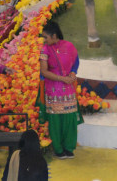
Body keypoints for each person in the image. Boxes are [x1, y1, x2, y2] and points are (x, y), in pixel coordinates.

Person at [39, 20, 81, 159]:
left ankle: (69, 148)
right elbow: (44, 72)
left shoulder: (69, 46)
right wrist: (62, 78)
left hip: (68, 89)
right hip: (53, 90)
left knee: (69, 119)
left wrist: (73, 73)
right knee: (55, 121)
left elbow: (76, 62)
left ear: (54, 35)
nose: (44, 40)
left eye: (46, 37)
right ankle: (58, 149)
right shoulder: (45, 50)